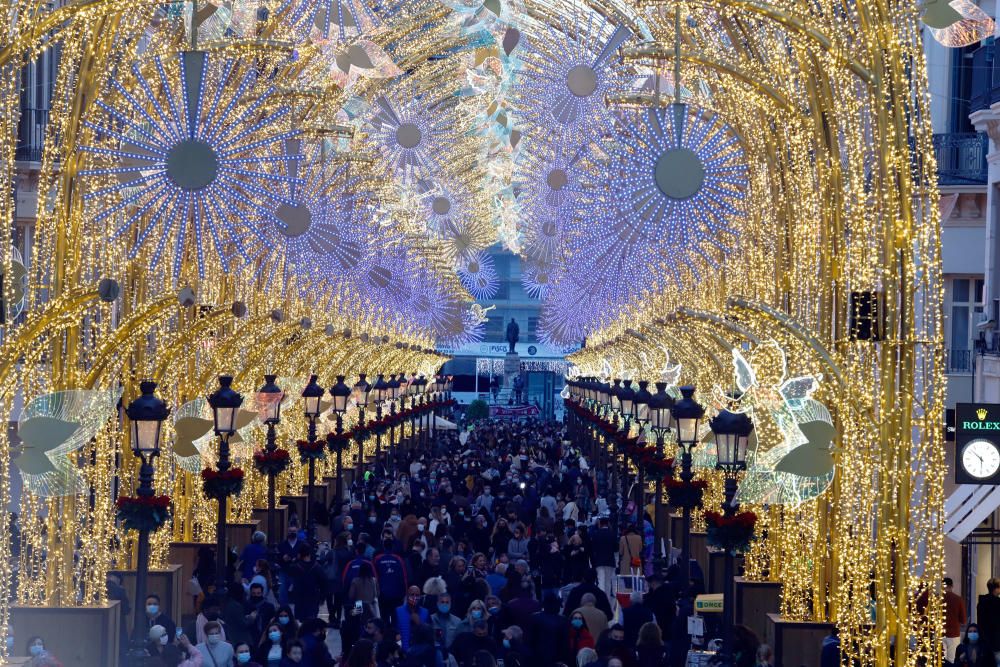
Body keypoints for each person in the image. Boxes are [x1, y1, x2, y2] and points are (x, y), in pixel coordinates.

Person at [396, 586, 430, 651]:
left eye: (417, 595)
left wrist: (419, 623)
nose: (414, 597)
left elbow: (429, 635)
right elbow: (394, 632)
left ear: (420, 597)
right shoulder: (398, 611)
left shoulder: (426, 612)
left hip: (420, 653)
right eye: (412, 595)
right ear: (407, 596)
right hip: (404, 653)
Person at [590, 517, 617, 597]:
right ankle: (607, 598)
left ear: (600, 524)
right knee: (608, 581)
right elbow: (616, 548)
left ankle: (601, 597)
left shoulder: (595, 534)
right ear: (608, 524)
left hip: (599, 560)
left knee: (601, 580)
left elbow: (593, 548)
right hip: (610, 560)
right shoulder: (612, 534)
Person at [976, 577, 1000, 665]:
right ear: (996, 589)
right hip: (997, 641)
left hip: (984, 641)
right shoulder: (998, 603)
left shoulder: (981, 602)